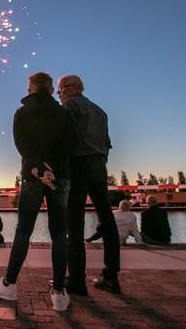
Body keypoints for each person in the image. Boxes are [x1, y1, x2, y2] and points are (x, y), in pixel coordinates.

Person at [0, 72, 76, 312]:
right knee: (59, 233)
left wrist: (37, 168)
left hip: (32, 178)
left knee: (23, 231)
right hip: (59, 178)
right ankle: (58, 292)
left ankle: (9, 284)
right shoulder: (64, 113)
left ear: (31, 88)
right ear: (49, 89)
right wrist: (53, 170)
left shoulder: (22, 113)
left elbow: (21, 144)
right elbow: (70, 144)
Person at [58, 74, 120, 295]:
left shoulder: (69, 107)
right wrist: (100, 160)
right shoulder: (100, 111)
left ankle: (76, 280)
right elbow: (108, 144)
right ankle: (111, 275)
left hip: (77, 166)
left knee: (74, 224)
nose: (59, 95)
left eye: (60, 90)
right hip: (98, 167)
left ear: (70, 87)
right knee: (107, 220)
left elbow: (63, 139)